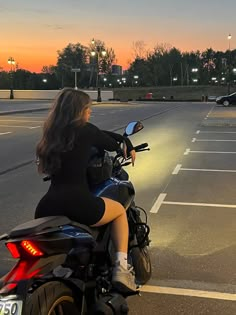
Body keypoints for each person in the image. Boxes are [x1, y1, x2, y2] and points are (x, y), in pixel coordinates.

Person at [35, 87, 137, 292]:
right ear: (79, 110)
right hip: (78, 202)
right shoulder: (86, 130)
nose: (90, 112)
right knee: (118, 211)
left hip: (47, 205)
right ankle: (121, 268)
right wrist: (125, 143)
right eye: (88, 108)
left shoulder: (51, 133)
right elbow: (108, 142)